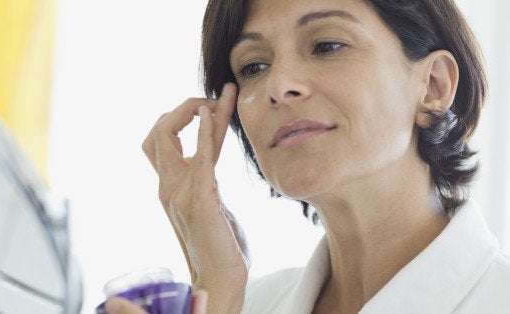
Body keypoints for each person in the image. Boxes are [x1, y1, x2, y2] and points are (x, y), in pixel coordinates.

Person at [111, 0, 510, 313]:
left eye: (327, 45)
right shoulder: (239, 305)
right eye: (253, 66)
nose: (279, 85)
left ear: (434, 85)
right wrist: (214, 286)